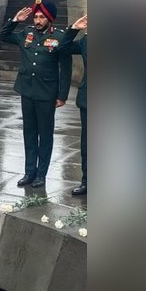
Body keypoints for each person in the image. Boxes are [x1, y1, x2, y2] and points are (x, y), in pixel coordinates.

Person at [0, 0, 72, 188]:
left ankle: (41, 174)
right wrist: (15, 20)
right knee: (29, 133)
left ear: (49, 19)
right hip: (27, 90)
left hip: (47, 92)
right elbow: (3, 36)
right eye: (36, 17)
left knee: (45, 135)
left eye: (41, 17)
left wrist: (62, 95)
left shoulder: (59, 37)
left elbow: (66, 68)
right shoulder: (26, 32)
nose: (37, 21)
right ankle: (29, 172)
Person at [59, 14, 88, 195]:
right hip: (88, 99)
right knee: (88, 144)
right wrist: (74, 29)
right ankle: (87, 181)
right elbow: (63, 48)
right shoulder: (86, 41)